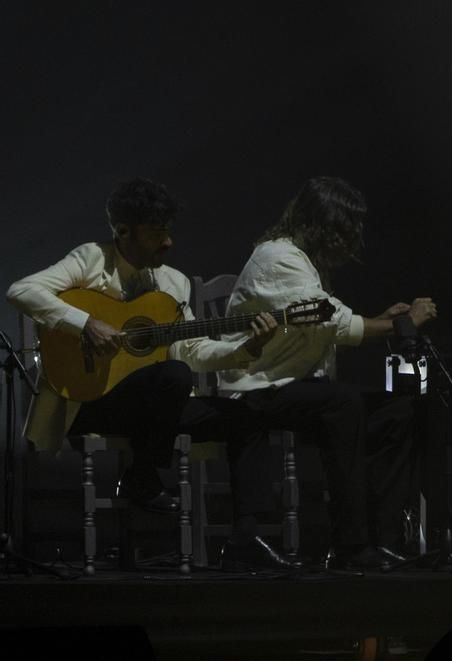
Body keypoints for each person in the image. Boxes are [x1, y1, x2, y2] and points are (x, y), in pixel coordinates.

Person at [5, 177, 297, 572]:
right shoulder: (90, 259)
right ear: (124, 231)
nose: (168, 242)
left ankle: (244, 537)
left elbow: (192, 351)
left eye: (168, 231)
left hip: (155, 406)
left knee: (246, 416)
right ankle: (143, 478)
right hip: (90, 400)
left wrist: (246, 349)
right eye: (156, 232)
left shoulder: (173, 283)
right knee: (173, 376)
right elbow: (22, 290)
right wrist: (85, 322)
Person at [219, 176, 436, 572]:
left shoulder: (305, 262)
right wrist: (402, 326)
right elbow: (333, 322)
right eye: (344, 227)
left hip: (296, 386)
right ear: (320, 222)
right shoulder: (278, 257)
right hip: (257, 386)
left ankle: (382, 537)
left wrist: (381, 320)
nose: (350, 238)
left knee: (397, 411)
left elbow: (328, 315)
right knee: (343, 402)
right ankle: (351, 546)